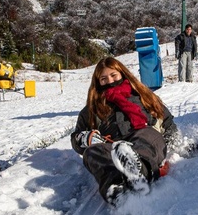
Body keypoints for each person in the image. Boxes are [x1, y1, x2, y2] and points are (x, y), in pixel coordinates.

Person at [70, 57, 179, 207]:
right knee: (92, 152)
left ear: (122, 73)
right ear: (98, 82)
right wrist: (84, 139)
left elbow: (167, 122)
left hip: (144, 138)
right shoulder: (92, 109)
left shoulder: (143, 96)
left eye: (113, 75)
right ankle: (116, 189)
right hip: (113, 148)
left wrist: (173, 144)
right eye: (104, 78)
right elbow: (76, 138)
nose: (109, 81)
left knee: (146, 136)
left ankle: (140, 171)